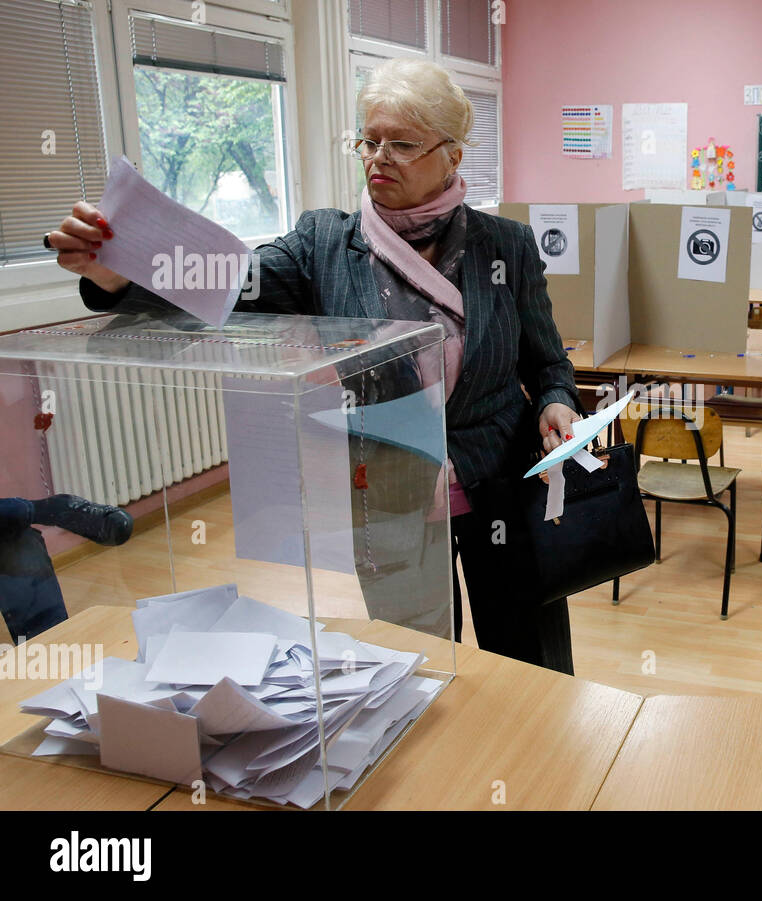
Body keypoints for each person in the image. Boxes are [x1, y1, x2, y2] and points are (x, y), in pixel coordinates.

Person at [45, 58, 584, 674]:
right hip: (391, 494)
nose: (379, 157)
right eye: (369, 139)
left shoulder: (506, 246)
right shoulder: (324, 245)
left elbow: (547, 361)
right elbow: (225, 284)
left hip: (504, 487)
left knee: (528, 661)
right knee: (422, 667)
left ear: (453, 155)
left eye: (403, 144)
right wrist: (118, 273)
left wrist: (556, 402)